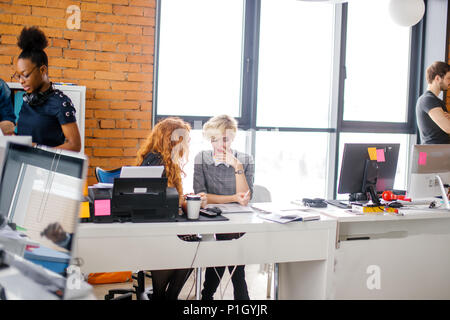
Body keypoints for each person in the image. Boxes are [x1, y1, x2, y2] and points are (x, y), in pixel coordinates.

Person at [135, 117, 207, 300]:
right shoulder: (155, 162)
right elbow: (159, 201)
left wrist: (189, 199)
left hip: (163, 223)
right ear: (173, 140)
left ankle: (168, 296)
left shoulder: (167, 161)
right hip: (155, 228)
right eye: (186, 139)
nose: (188, 144)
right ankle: (164, 296)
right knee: (191, 242)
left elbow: (171, 197)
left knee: (193, 241)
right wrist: (184, 202)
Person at [194, 114, 254, 300]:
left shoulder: (244, 159)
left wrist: (237, 165)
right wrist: (231, 198)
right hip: (213, 221)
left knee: (225, 243)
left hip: (239, 221)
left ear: (234, 138)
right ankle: (241, 296)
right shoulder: (201, 158)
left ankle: (207, 295)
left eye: (225, 139)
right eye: (214, 139)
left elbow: (244, 199)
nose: (220, 145)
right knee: (226, 241)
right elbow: (201, 198)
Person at [14, 26, 81, 152]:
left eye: (26, 75)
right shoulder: (27, 100)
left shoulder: (61, 103)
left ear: (43, 70)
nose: (21, 81)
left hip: (45, 169)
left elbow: (74, 145)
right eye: (18, 76)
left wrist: (39, 151)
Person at [416, 61, 450, 144]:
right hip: (431, 153)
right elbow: (448, 128)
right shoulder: (428, 99)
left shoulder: (436, 101)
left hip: (437, 152)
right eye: (449, 78)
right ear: (437, 78)